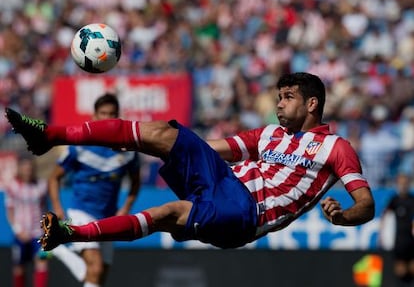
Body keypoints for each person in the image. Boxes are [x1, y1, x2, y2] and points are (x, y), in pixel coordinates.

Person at [5, 72, 375, 251]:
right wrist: (145, 144)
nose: (279, 103)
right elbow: (207, 148)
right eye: (278, 96)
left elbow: (366, 205)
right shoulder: (268, 135)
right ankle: (47, 137)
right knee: (166, 134)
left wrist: (342, 216)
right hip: (225, 182)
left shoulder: (336, 148)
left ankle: (74, 233)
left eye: (288, 96)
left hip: (247, 212)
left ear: (312, 104)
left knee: (169, 212)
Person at [46, 93, 141, 287]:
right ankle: (62, 248)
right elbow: (54, 178)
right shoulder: (79, 147)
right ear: (94, 117)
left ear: (118, 117)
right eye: (103, 113)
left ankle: (61, 250)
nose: (107, 118)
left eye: (112, 114)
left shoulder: (128, 151)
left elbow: (136, 183)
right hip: (81, 211)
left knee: (100, 275)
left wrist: (125, 208)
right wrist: (58, 207)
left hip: (108, 217)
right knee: (95, 267)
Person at [4, 154, 49, 287]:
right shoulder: (12, 186)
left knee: (43, 262)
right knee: (19, 266)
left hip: (39, 234)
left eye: (30, 168)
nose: (28, 170)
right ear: (20, 168)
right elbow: (10, 211)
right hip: (21, 234)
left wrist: (46, 230)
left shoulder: (41, 186)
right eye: (25, 168)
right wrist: (17, 230)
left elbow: (45, 208)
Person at [379, 173, 414, 287]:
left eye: (405, 183)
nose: (403, 185)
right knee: (400, 269)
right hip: (399, 241)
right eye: (401, 183)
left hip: (411, 239)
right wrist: (383, 235)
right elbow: (385, 218)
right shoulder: (394, 201)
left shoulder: (412, 200)